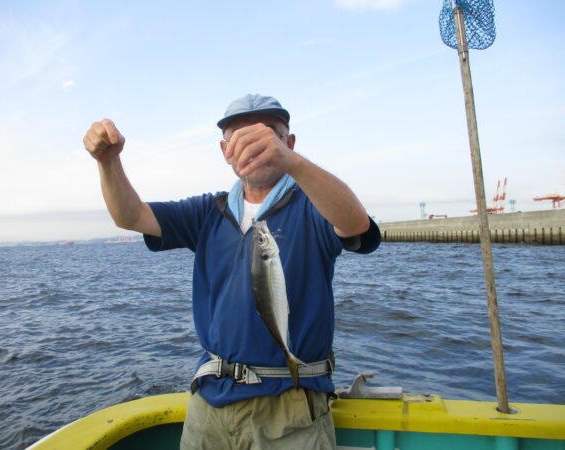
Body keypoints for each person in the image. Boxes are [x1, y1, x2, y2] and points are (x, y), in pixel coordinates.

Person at [83, 94, 380, 449]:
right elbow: (130, 216)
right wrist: (108, 162)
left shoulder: (314, 205)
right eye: (239, 137)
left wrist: (294, 164)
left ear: (289, 143)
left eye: (268, 133)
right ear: (226, 151)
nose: (254, 144)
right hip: (209, 403)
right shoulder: (208, 212)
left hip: (290, 406)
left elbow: (355, 224)